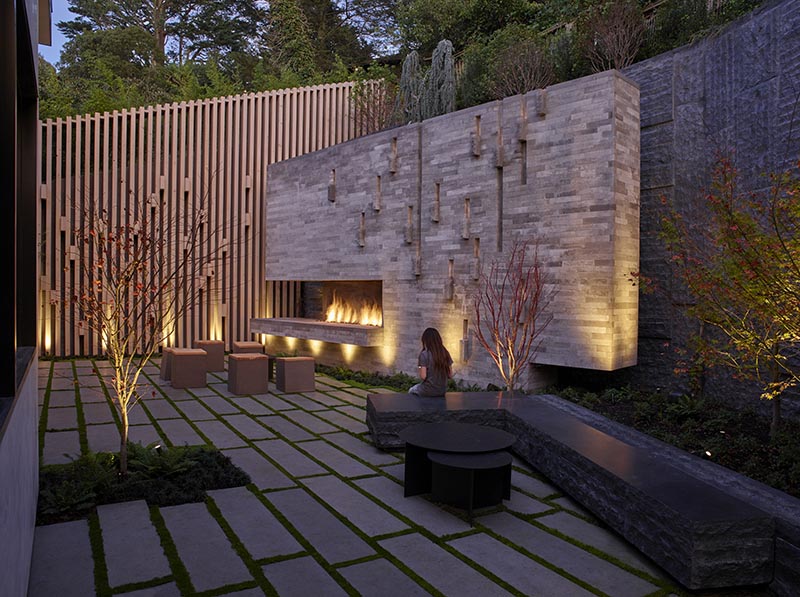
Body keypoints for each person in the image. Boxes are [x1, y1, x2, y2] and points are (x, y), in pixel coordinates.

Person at [408, 327, 453, 397]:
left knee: (411, 390)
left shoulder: (424, 354)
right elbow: (450, 375)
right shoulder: (445, 353)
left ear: (425, 340)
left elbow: (423, 376)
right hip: (442, 391)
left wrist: (420, 366)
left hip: (427, 390)